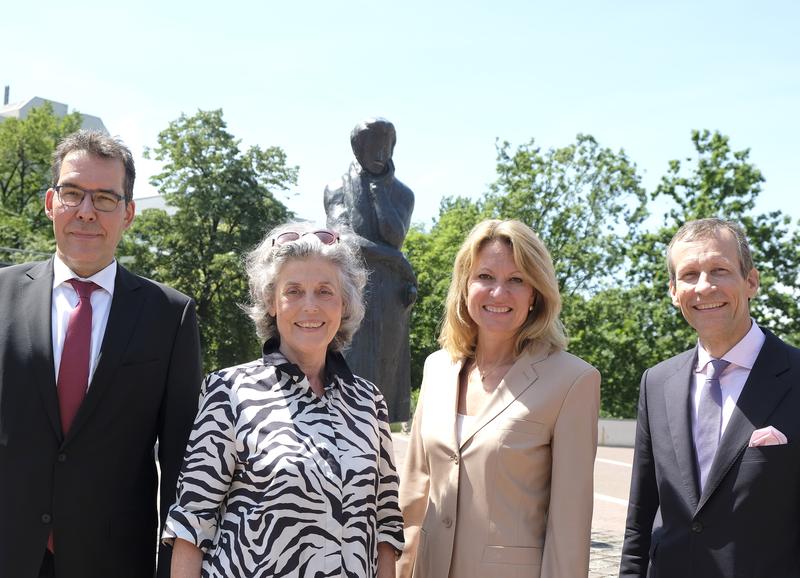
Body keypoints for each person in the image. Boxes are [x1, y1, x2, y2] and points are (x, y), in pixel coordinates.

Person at [0, 130, 203, 578]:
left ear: (129, 213)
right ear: (51, 203)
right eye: (72, 193)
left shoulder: (171, 316)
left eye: (105, 199)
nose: (86, 212)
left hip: (113, 561)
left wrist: (172, 569)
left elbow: (179, 465)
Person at [163, 223, 404, 578]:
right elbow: (192, 524)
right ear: (272, 303)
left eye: (325, 291)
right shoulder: (228, 392)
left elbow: (386, 524)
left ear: (344, 304)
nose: (310, 306)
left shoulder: (369, 403)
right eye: (294, 291)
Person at [398, 219, 601, 578]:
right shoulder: (437, 368)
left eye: (516, 280)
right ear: (465, 286)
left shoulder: (573, 381)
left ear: (534, 293)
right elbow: (414, 493)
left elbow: (568, 526)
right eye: (485, 277)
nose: (498, 293)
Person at [619, 218, 800, 577]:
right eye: (689, 275)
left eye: (719, 270)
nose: (704, 287)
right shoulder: (656, 383)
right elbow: (640, 518)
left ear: (751, 281)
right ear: (673, 291)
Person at [324, 117, 417, 422]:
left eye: (385, 147)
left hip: (391, 293)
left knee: (386, 369)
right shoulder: (337, 187)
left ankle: (378, 447)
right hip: (353, 287)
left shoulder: (403, 194)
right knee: (350, 363)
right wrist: (397, 260)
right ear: (357, 149)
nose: (380, 154)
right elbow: (344, 239)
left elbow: (394, 234)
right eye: (372, 147)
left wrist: (378, 189)